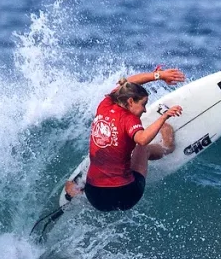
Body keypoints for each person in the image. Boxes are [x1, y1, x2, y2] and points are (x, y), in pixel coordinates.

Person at [65, 66, 185, 211]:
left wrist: (158, 75)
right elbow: (142, 139)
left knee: (106, 149)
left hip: (94, 196)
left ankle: (79, 190)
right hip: (124, 196)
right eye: (143, 104)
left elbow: (126, 84)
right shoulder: (130, 119)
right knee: (143, 149)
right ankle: (167, 146)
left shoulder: (105, 104)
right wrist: (164, 117)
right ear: (130, 101)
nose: (145, 110)